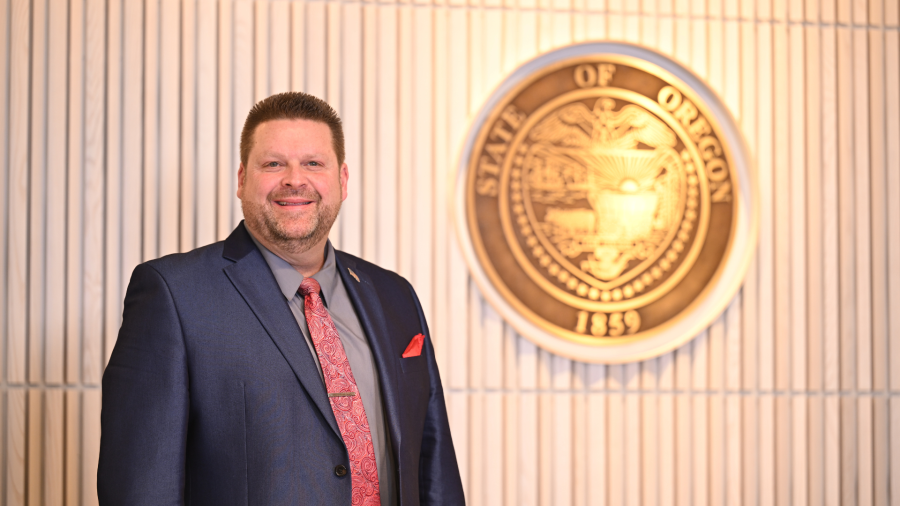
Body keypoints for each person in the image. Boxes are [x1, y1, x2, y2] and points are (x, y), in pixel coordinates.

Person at [98, 92, 465, 505]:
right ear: (242, 179)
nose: (294, 179)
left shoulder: (395, 295)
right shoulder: (173, 295)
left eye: (313, 163)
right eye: (273, 164)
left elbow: (435, 467)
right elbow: (142, 489)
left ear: (342, 180)